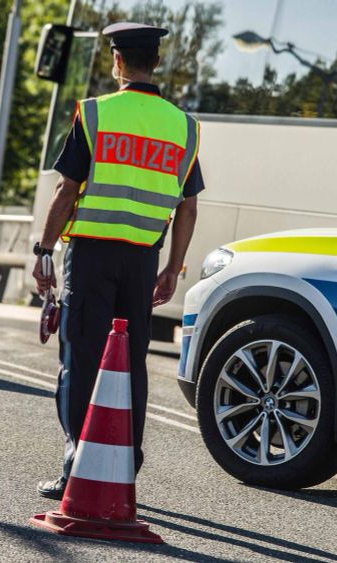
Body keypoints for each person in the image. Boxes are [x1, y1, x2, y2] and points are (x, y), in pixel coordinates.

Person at [32, 22, 204, 499]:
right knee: (131, 363)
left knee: (84, 357)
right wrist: (173, 267)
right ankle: (125, 464)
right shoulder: (184, 127)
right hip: (144, 262)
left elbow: (67, 190)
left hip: (91, 257)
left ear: (117, 61)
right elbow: (188, 206)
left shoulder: (96, 114)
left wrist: (44, 250)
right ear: (156, 62)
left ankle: (76, 464)